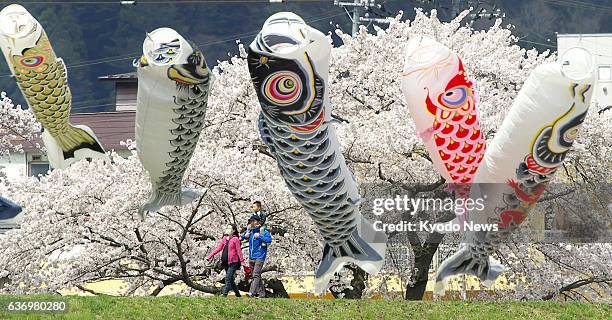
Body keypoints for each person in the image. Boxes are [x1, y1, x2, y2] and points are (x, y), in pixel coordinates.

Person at [207, 224, 245, 297]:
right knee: (230, 280)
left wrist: (242, 260)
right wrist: (210, 256)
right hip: (225, 262)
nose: (228, 229)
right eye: (227, 228)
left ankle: (224, 295)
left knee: (228, 278)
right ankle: (238, 295)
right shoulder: (225, 239)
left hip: (234, 262)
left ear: (234, 230)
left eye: (230, 228)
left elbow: (238, 250)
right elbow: (219, 248)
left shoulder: (236, 239)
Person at [242, 215, 272, 298]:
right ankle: (262, 294)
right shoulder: (251, 231)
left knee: (255, 275)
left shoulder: (263, 231)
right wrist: (245, 235)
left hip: (260, 256)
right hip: (251, 257)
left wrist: (259, 237)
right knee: (256, 275)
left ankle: (251, 292)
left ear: (258, 222)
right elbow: (241, 237)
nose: (252, 223)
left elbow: (269, 240)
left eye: (253, 221)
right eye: (251, 221)